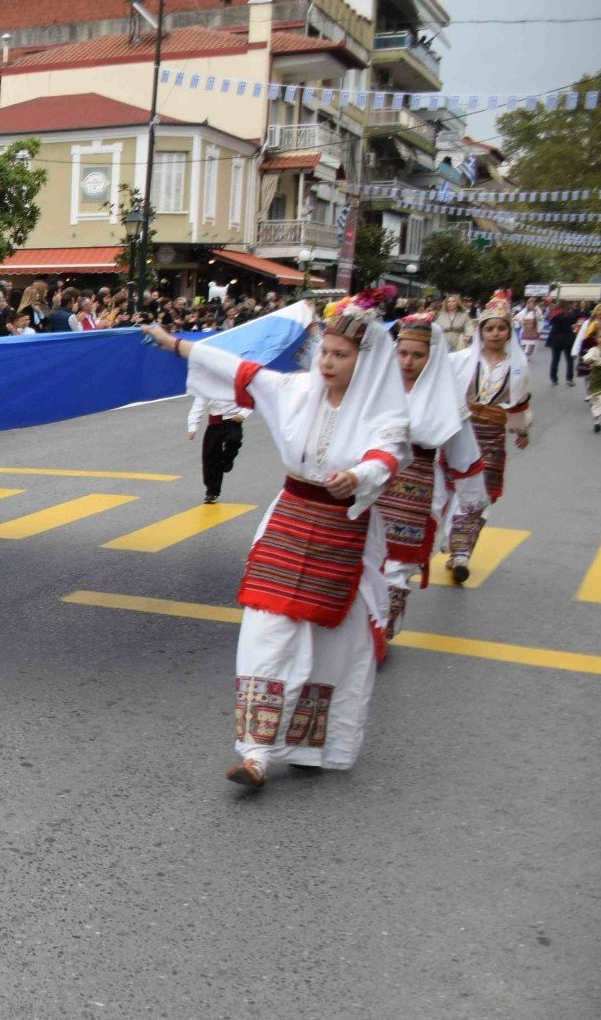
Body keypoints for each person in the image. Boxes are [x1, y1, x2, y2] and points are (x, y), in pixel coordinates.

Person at [147, 304, 409, 789]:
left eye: (341, 354)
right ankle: (255, 755)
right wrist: (175, 343)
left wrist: (357, 475)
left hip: (343, 534)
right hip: (288, 524)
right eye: (325, 351)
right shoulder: (296, 390)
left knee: (333, 647)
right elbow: (242, 370)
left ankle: (311, 745)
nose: (327, 362)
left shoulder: (384, 412)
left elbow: (387, 455)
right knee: (265, 633)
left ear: (365, 361)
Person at [376, 315, 483, 639]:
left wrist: (473, 504)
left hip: (419, 490)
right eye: (402, 353)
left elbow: (465, 457)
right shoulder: (379, 389)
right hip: (374, 482)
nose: (407, 361)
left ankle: (383, 631)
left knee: (396, 567)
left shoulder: (447, 403)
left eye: (417, 355)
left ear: (433, 356)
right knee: (367, 560)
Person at [443, 298, 531, 584]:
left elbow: (520, 401)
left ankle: (461, 554)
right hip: (461, 432)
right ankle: (452, 542)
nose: (495, 333)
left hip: (492, 435)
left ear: (508, 332)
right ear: (481, 331)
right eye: (489, 328)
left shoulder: (517, 365)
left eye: (501, 328)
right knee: (451, 490)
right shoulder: (462, 360)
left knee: (480, 495)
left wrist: (521, 431)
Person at [187, 381, 250, 505]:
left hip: (233, 421)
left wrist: (243, 414)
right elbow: (198, 407)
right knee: (210, 457)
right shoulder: (206, 386)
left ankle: (228, 459)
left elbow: (250, 400)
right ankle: (212, 491)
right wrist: (192, 427)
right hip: (215, 424)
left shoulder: (237, 382)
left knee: (234, 440)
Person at [545, 300, 583, 387]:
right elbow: (576, 324)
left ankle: (554, 378)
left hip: (556, 339)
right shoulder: (572, 315)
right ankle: (569, 379)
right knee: (569, 360)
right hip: (568, 339)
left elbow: (550, 322)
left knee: (555, 360)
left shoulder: (554, 315)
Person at [581, 322, 601, 432]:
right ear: (596, 338)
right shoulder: (594, 350)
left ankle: (597, 421)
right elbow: (588, 357)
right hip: (596, 377)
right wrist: (588, 360)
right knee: (595, 399)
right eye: (600, 337)